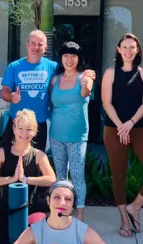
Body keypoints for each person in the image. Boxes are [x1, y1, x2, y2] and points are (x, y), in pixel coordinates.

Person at [101, 33, 143, 238]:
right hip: (114, 130)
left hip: (138, 128)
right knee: (119, 175)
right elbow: (107, 103)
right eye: (125, 47)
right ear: (119, 50)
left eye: (133, 47)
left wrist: (130, 123)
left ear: (138, 50)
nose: (129, 51)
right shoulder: (110, 73)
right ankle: (124, 219)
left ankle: (135, 206)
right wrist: (121, 125)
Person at [0, 109, 56, 244]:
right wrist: (11, 180)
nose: (24, 133)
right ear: (14, 128)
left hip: (32, 208)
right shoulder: (2, 153)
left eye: (29, 129)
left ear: (35, 131)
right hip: (7, 207)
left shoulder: (38, 155)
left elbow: (51, 179)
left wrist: (26, 179)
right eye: (20, 128)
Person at [1, 29, 95, 152]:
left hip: (39, 123)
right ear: (27, 44)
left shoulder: (53, 67)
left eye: (40, 44)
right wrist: (12, 96)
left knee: (36, 163)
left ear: (45, 47)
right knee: (9, 160)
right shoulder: (14, 66)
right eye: (33, 43)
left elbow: (71, 72)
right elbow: (5, 91)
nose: (36, 47)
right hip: (17, 122)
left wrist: (87, 73)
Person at [49, 42, 94, 222]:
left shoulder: (84, 77)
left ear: (78, 58)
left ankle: (80, 215)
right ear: (61, 58)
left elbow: (85, 92)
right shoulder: (55, 79)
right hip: (56, 135)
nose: (69, 59)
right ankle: (61, 213)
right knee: (60, 176)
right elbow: (52, 103)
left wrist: (86, 83)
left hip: (77, 137)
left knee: (77, 176)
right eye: (66, 55)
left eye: (73, 56)